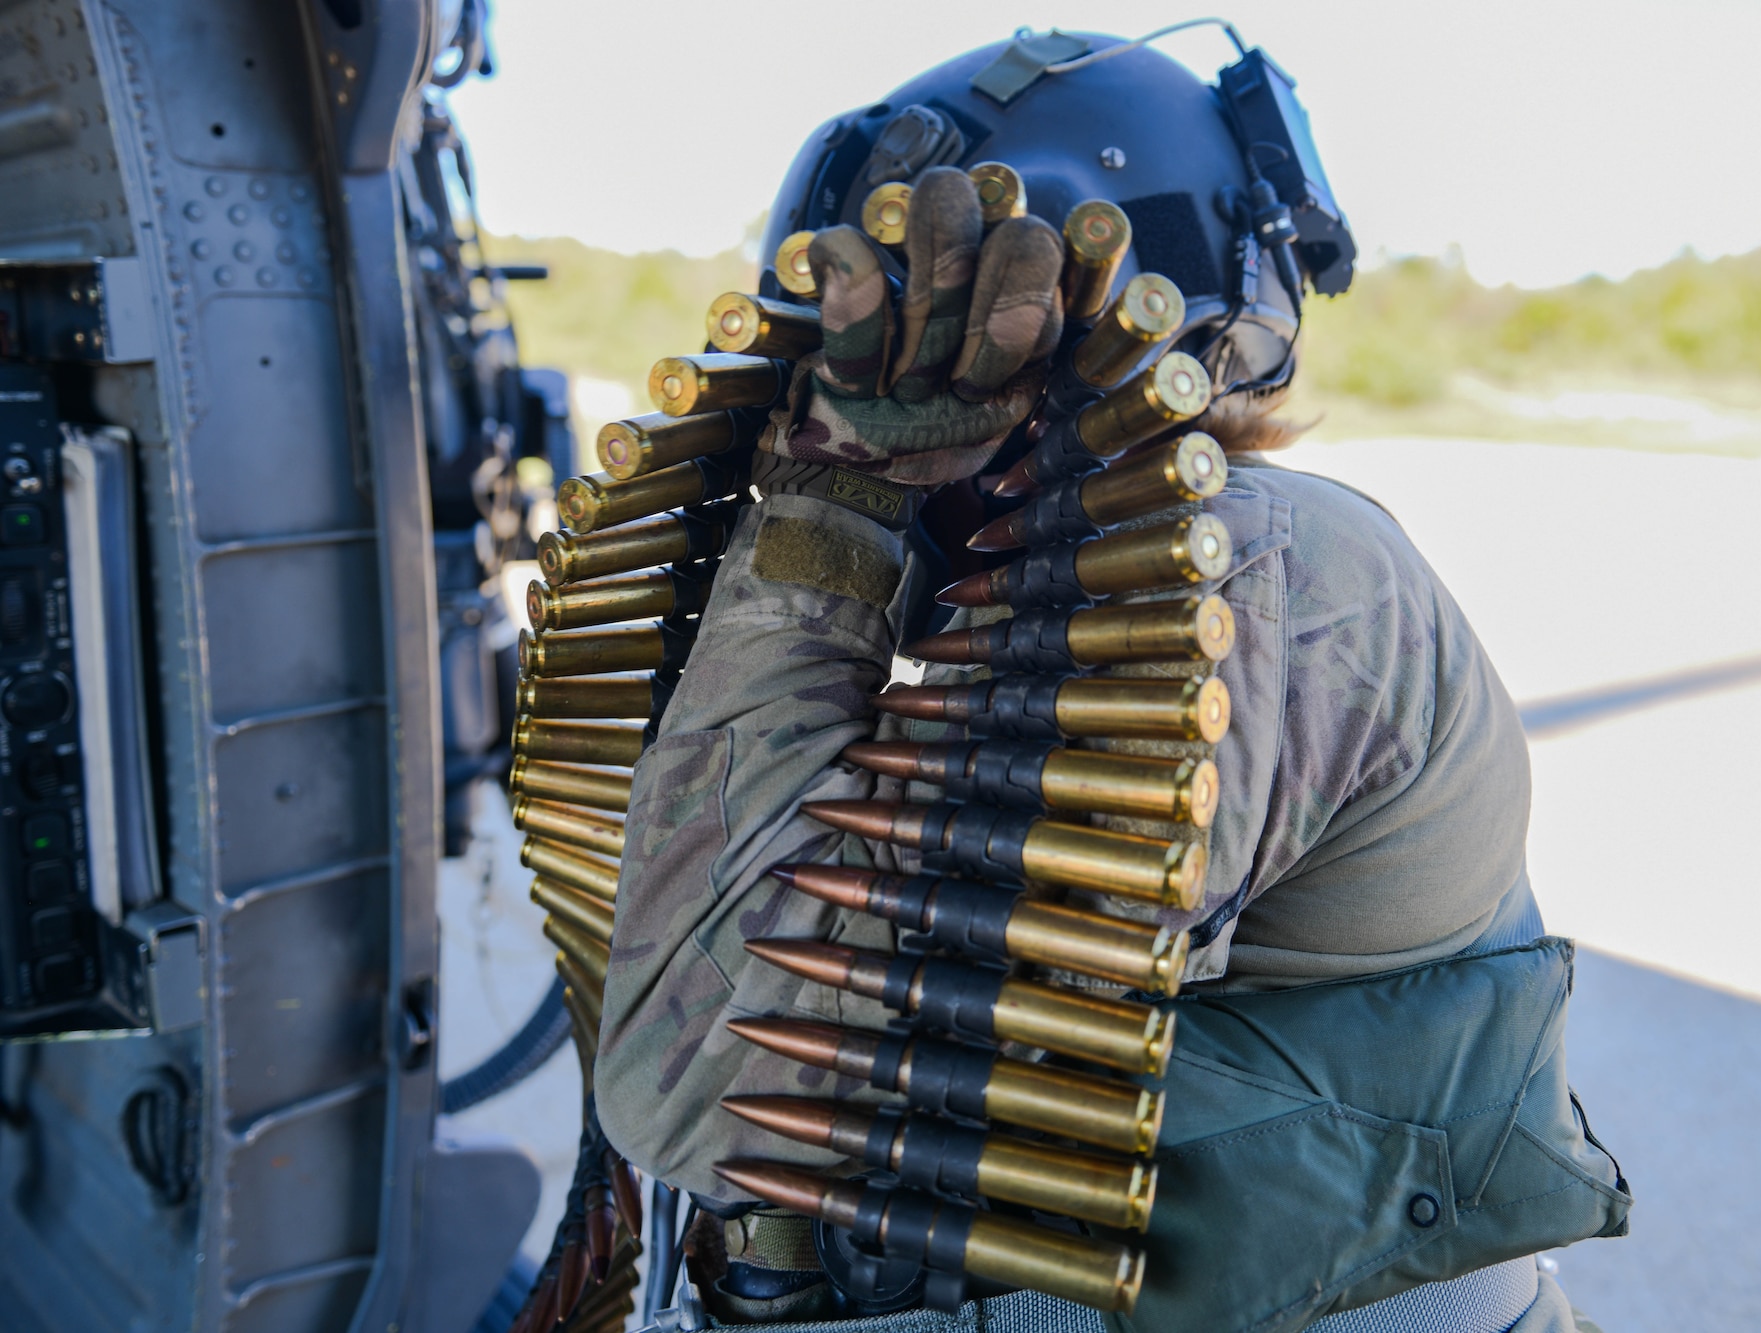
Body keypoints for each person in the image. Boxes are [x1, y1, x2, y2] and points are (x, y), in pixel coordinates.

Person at [596, 27, 1630, 1332]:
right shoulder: (1006, 592)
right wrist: (834, 513)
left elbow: (714, 1092)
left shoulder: (1264, 566)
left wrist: (830, 512)